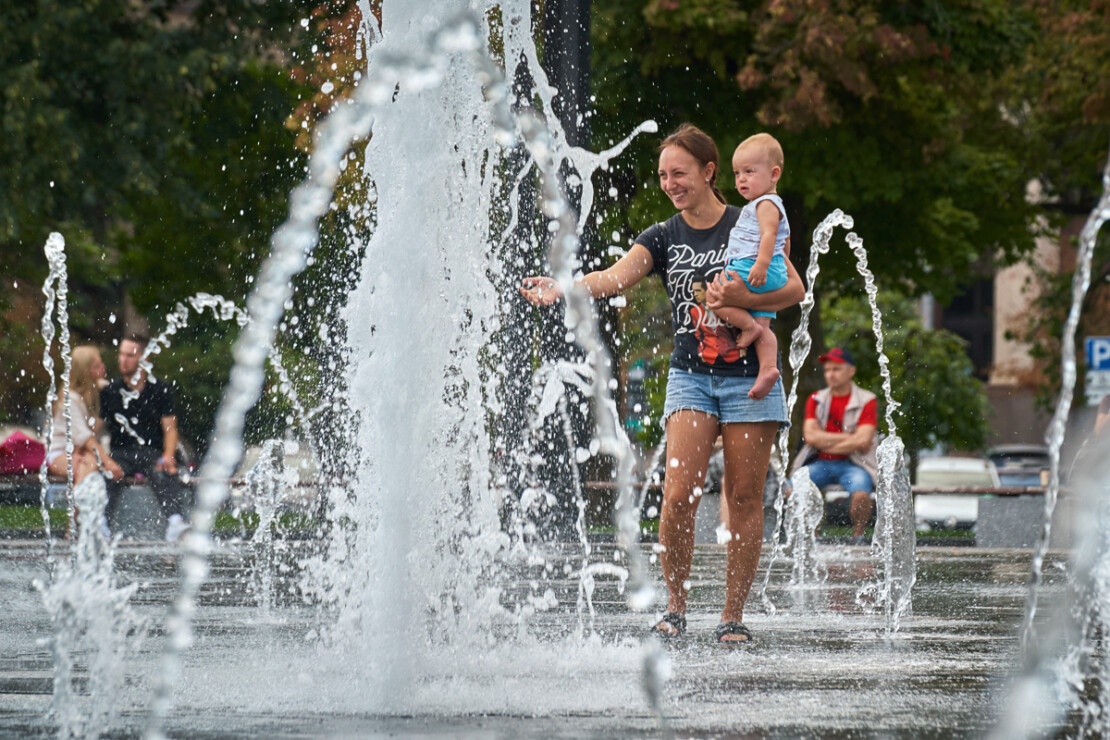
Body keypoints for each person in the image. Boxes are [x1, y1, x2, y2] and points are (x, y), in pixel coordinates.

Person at [520, 123, 804, 643]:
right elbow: (613, 277)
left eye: (680, 173)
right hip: (691, 378)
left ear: (709, 171)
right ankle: (676, 605)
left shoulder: (750, 219)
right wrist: (562, 287)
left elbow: (793, 289)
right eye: (662, 175)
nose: (670, 183)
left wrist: (740, 303)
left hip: (748, 381)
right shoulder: (663, 235)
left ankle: (732, 615)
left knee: (743, 498)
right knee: (678, 495)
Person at [711, 133, 791, 401]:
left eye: (749, 171)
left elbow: (769, 236)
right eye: (737, 173)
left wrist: (761, 266)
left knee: (715, 296)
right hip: (770, 272)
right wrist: (776, 269)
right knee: (765, 327)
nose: (741, 179)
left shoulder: (765, 204)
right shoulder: (768, 204)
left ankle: (747, 327)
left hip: (753, 269)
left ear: (774, 174)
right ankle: (768, 369)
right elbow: (784, 243)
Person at [100, 334, 190, 542]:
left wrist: (168, 455)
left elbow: (170, 428)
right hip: (121, 453)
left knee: (162, 471)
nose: (123, 360)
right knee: (109, 472)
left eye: (130, 355)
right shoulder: (111, 391)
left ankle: (175, 522)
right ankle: (101, 523)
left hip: (152, 452)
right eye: (121, 354)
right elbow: (94, 427)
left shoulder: (160, 389)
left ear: (144, 358)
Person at [789, 347, 879, 544]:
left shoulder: (867, 400)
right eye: (827, 370)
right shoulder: (816, 399)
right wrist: (850, 439)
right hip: (820, 462)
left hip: (854, 464)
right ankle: (812, 534)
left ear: (851, 371)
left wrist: (825, 441)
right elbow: (810, 437)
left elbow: (863, 440)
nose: (830, 374)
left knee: (861, 495)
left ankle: (858, 536)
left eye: (836, 369)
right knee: (792, 487)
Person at [46, 345, 124, 487]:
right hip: (58, 453)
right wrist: (108, 461)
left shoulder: (93, 391)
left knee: (92, 463)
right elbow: (85, 437)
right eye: (96, 366)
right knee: (90, 465)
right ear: (85, 372)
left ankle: (81, 504)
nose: (103, 368)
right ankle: (78, 503)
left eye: (101, 363)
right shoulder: (69, 400)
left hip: (80, 451)